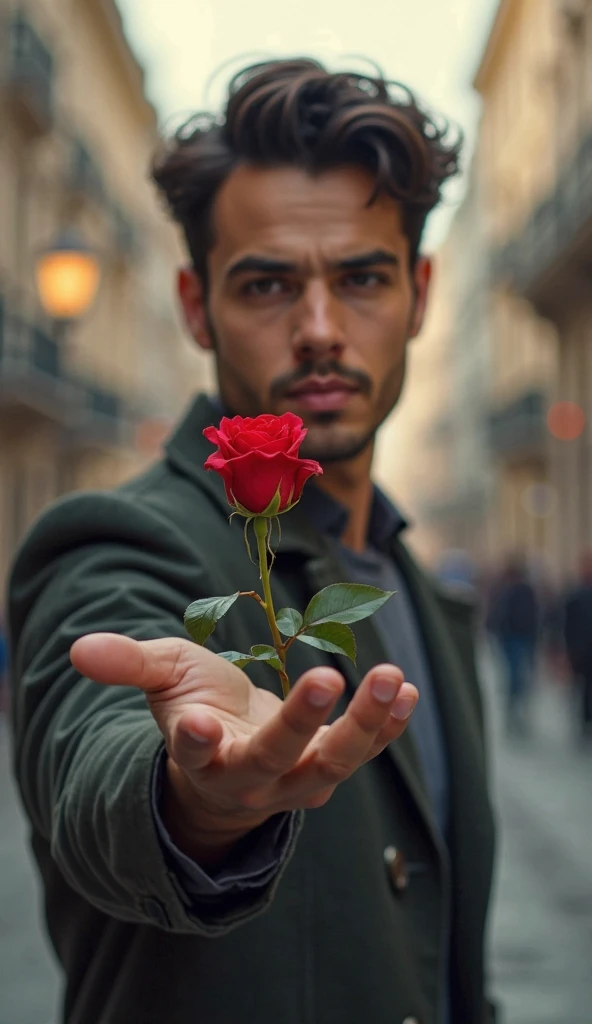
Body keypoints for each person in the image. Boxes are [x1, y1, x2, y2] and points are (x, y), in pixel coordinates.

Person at [7, 59, 496, 1024]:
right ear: (196, 306)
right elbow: (93, 745)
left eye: (362, 277)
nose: (319, 329)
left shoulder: (408, 577)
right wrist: (192, 801)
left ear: (421, 291)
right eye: (268, 284)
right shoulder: (118, 536)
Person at [486, 554, 540, 736]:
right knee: (516, 676)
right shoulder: (509, 590)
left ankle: (515, 711)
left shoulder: (515, 591)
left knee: (517, 677)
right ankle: (514, 712)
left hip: (517, 638)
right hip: (514, 639)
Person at [563, 551, 592, 741]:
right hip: (580, 650)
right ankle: (584, 721)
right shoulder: (576, 594)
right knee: (582, 688)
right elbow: (567, 624)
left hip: (582, 648)